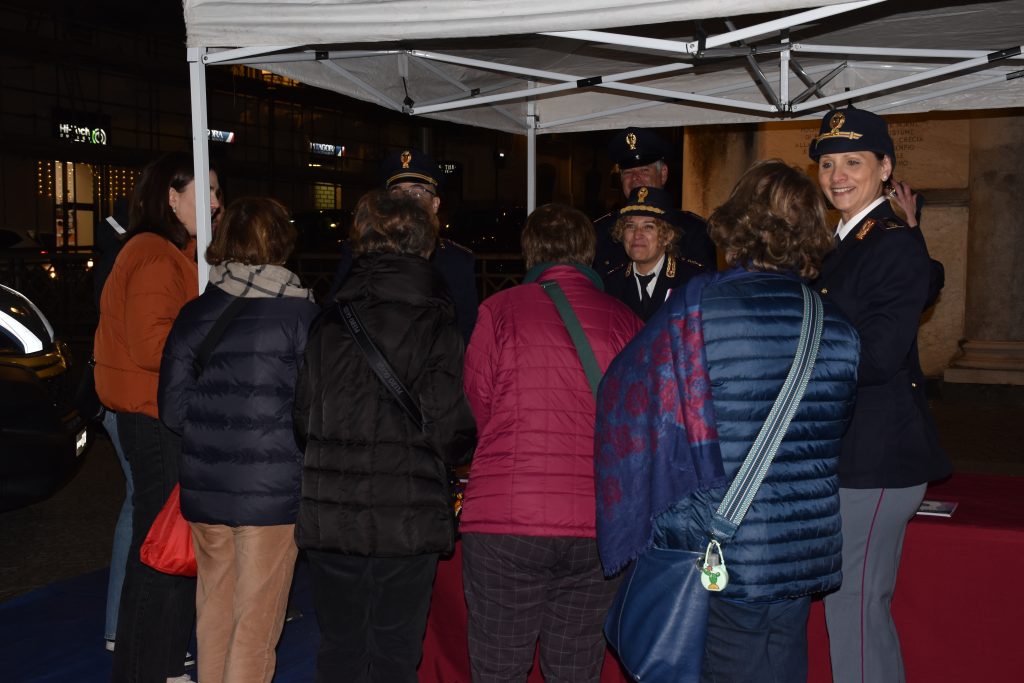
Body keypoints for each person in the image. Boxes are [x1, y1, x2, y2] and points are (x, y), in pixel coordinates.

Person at [595, 160, 861, 682]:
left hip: (720, 551)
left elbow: (623, 399)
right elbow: (830, 433)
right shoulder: (838, 326)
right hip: (800, 552)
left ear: (736, 226)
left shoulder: (696, 309)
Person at [294, 190, 477, 683]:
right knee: (397, 650)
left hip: (332, 510)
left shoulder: (328, 320)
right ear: (426, 246)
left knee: (339, 646)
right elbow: (452, 429)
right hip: (408, 513)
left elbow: (302, 420)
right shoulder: (436, 323)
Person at [460, 203, 643, 682]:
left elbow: (477, 402)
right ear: (589, 252)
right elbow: (637, 423)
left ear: (530, 252)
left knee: (499, 664)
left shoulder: (498, 310)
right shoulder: (624, 320)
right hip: (595, 525)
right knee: (575, 667)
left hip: (506, 518)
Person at [809, 106, 952, 683]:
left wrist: (796, 360)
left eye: (853, 162)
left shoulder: (890, 242)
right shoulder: (846, 240)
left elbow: (876, 357)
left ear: (885, 167)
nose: (837, 175)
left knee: (856, 609)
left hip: (878, 457)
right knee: (853, 607)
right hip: (854, 451)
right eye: (827, 163)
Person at [158, 197, 319, 683]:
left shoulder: (194, 313)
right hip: (273, 496)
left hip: (206, 490)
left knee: (214, 615)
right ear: (282, 245)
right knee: (255, 626)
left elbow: (172, 411)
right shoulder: (301, 317)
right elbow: (314, 412)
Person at [94, 151, 220, 683]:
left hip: (154, 413)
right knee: (160, 551)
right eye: (207, 191)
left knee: (160, 546)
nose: (217, 202)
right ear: (173, 197)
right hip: (151, 417)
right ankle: (152, 667)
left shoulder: (172, 253)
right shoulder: (152, 254)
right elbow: (154, 347)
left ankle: (149, 663)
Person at [326, 148, 478, 343]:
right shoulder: (360, 251)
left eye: (417, 193)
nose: (407, 201)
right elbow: (335, 316)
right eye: (398, 194)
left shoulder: (456, 260)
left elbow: (465, 331)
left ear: (435, 204)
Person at [593, 126, 716, 273]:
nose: (635, 178)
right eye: (628, 172)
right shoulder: (601, 232)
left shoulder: (695, 231)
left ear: (663, 174)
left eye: (644, 170)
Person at [602, 186, 711, 321]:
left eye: (648, 227)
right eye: (630, 226)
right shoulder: (610, 284)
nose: (637, 235)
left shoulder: (693, 281)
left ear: (667, 236)